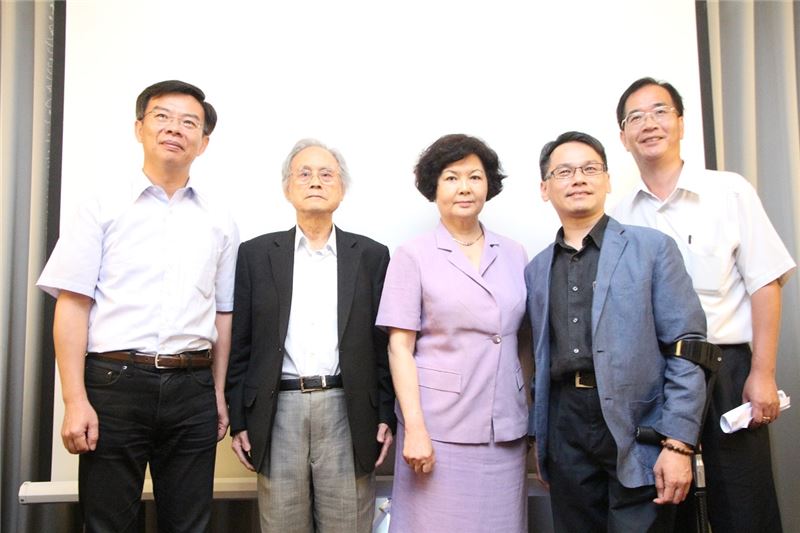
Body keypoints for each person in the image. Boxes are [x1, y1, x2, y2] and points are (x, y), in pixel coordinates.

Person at [36, 80, 238, 532]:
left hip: (192, 386)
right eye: (162, 117)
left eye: (189, 122)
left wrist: (217, 393)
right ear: (139, 128)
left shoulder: (220, 220)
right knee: (107, 523)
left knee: (189, 524)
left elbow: (223, 313)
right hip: (115, 383)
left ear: (203, 143)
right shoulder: (101, 207)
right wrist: (74, 400)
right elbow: (72, 304)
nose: (175, 129)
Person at [613, 77, 796, 533]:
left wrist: (763, 372)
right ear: (623, 137)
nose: (649, 124)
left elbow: (765, 282)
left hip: (727, 367)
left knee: (744, 500)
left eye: (660, 111)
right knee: (662, 503)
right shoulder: (620, 217)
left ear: (680, 123)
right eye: (636, 117)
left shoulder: (729, 191)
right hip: (658, 375)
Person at [527, 131, 708, 532]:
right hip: (565, 423)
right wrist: (542, 440)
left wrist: (679, 443)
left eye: (590, 169)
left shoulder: (653, 248)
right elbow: (539, 359)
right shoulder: (536, 269)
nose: (578, 178)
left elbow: (689, 346)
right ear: (545, 188)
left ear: (607, 180)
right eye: (564, 172)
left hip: (639, 422)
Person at [226, 139, 395, 533]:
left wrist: (386, 414)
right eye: (304, 173)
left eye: (326, 174)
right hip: (277, 409)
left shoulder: (372, 256)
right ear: (288, 188)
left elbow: (383, 347)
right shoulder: (255, 255)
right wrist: (239, 418)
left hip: (348, 409)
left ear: (342, 188)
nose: (315, 181)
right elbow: (241, 345)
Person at [376, 134, 530, 532]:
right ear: (434, 186)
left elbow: (524, 342)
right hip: (438, 428)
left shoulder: (514, 253)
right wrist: (415, 428)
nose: (464, 187)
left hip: (505, 429)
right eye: (451, 177)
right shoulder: (413, 254)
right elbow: (399, 348)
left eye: (475, 177)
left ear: (488, 185)